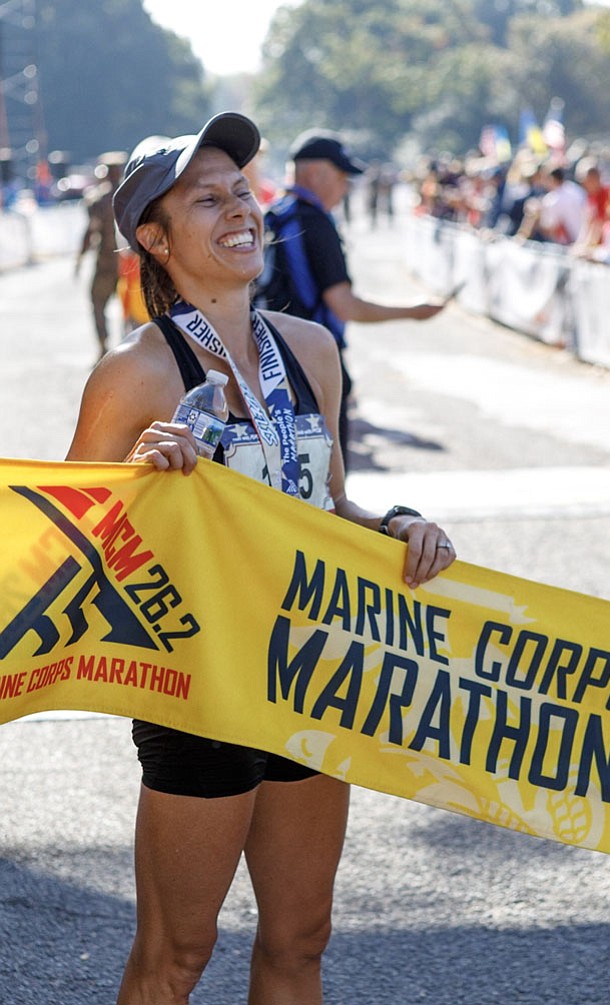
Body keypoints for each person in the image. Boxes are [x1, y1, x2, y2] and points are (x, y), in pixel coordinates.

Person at [65, 111, 457, 1005]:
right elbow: (66, 546)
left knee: (301, 941)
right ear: (155, 240)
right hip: (201, 688)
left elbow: (329, 505)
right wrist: (136, 484)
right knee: (177, 953)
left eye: (243, 190)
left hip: (312, 673)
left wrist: (397, 523)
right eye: (207, 198)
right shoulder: (136, 373)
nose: (238, 208)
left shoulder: (311, 350)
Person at [254, 128, 446, 468]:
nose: (346, 188)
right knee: (329, 479)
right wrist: (414, 311)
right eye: (342, 177)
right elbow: (344, 304)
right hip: (315, 363)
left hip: (269, 359)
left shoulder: (275, 213)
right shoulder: (316, 223)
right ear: (315, 173)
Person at [75, 151, 127, 356]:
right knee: (133, 307)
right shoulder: (131, 195)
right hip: (130, 263)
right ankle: (133, 346)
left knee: (98, 303)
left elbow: (91, 232)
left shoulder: (97, 200)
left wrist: (80, 258)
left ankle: (103, 345)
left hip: (106, 263)